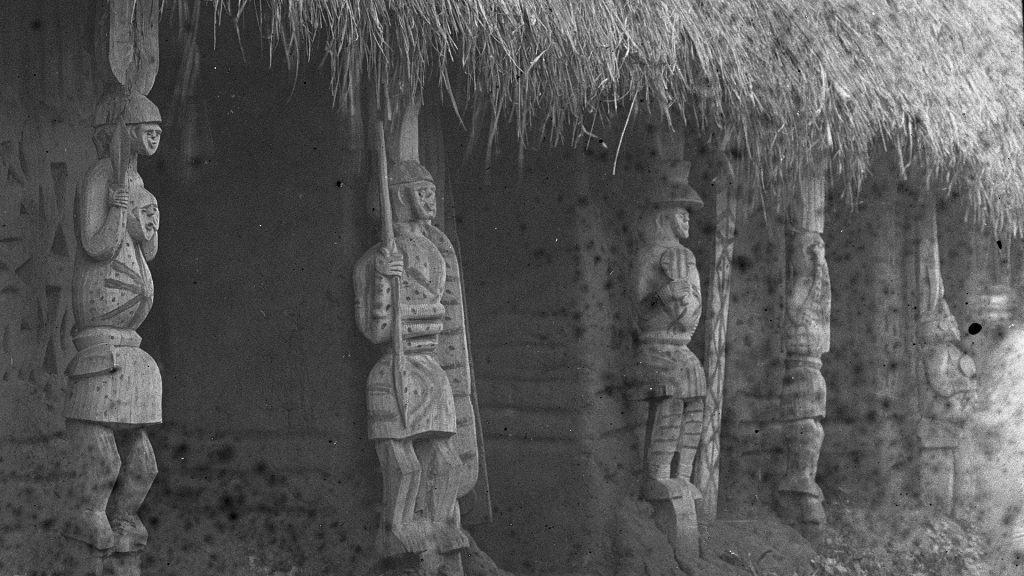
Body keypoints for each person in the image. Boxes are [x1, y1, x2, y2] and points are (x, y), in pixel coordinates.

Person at [353, 161, 471, 570]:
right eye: (422, 192)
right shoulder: (377, 259)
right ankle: (401, 527)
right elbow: (377, 328)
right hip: (395, 371)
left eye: (433, 192)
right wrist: (384, 279)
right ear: (399, 197)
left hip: (429, 368)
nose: (430, 200)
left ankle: (442, 525)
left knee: (447, 459)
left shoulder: (436, 252)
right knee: (402, 464)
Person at [63, 91, 163, 553]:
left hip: (130, 340)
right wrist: (119, 208)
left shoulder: (136, 180)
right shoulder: (102, 176)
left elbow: (149, 250)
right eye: (146, 126)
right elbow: (95, 244)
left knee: (143, 463)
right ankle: (91, 516)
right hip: (101, 337)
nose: (155, 134)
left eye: (158, 128)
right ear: (122, 130)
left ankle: (122, 517)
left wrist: (147, 219)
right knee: (103, 457)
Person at [630, 162, 706, 505]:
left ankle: (684, 475)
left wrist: (684, 295)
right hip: (655, 348)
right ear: (663, 215)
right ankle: (658, 474)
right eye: (682, 212)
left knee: (698, 397)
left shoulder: (684, 256)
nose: (688, 219)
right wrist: (666, 294)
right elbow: (637, 306)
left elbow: (694, 309)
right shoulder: (650, 255)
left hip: (680, 346)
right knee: (673, 392)